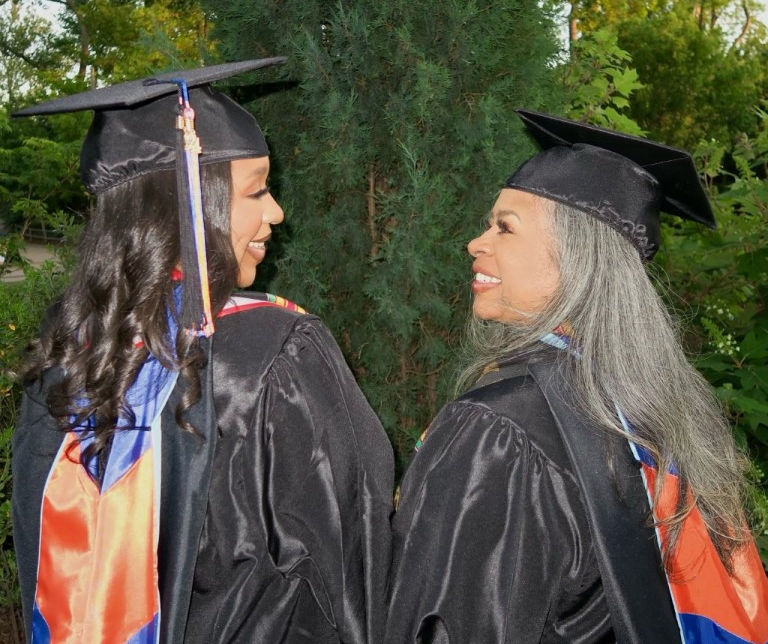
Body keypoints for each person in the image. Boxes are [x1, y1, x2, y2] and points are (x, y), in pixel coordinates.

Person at [11, 59, 393, 644]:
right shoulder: (276, 353)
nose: (275, 213)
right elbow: (343, 570)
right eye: (257, 190)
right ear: (190, 198)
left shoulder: (69, 350)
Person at [386, 109, 768, 644]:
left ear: (576, 258)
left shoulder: (500, 429)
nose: (476, 243)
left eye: (504, 227)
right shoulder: (654, 409)